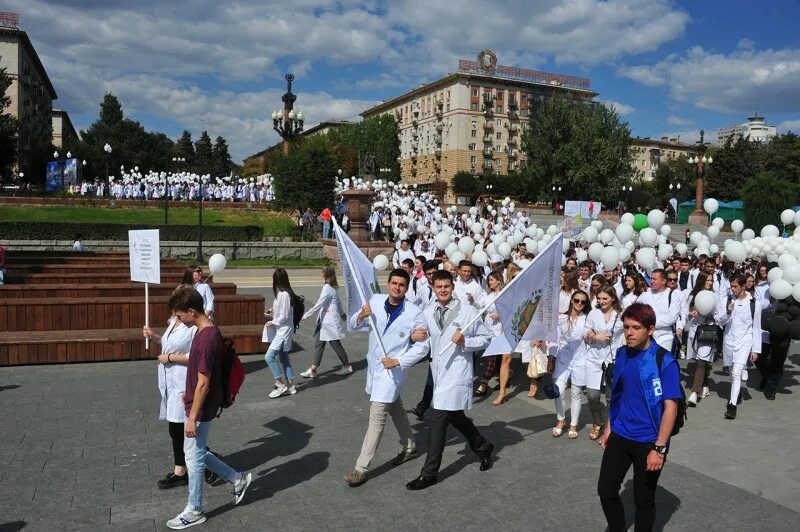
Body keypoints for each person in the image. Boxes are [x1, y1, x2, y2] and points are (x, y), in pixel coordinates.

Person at [165, 288, 251, 530]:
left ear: (192, 312)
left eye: (180, 316)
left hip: (200, 408)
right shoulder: (206, 330)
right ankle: (237, 478)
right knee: (195, 451)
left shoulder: (205, 337)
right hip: (198, 402)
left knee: (193, 457)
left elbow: (204, 381)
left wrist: (192, 417)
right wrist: (189, 393)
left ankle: (194, 509)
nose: (179, 320)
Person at [406, 270, 494, 490]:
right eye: (439, 287)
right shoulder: (428, 311)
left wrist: (466, 341)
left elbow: (486, 338)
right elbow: (423, 340)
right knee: (456, 416)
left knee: (437, 419)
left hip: (457, 373)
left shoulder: (468, 311)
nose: (443, 290)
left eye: (446, 286)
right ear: (434, 288)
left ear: (452, 288)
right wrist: (412, 337)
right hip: (438, 372)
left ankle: (429, 473)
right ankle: (483, 447)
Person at [597, 303, 681, 532]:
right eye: (626, 327)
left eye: (636, 327)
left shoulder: (665, 361)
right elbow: (618, 394)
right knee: (606, 490)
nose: (629, 333)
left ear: (651, 330)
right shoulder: (622, 353)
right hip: (621, 433)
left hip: (649, 441)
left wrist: (660, 448)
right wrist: (609, 426)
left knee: (643, 500)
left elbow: (670, 408)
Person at [343, 269, 429, 487]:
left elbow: (423, 346)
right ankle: (410, 447)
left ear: (407, 288)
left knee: (377, 416)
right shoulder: (375, 300)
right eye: (394, 283)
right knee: (395, 406)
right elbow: (353, 326)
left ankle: (361, 468)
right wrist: (361, 315)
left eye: (401, 285)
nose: (397, 287)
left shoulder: (415, 312)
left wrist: (398, 361)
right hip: (376, 367)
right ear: (388, 283)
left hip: (394, 371)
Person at [143, 290, 197, 490]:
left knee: (182, 429)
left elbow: (196, 356)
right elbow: (168, 344)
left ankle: (189, 468)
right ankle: (182, 468)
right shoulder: (174, 321)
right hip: (169, 381)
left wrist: (170, 358)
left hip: (183, 383)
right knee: (176, 429)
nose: (175, 312)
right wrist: (154, 336)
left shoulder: (193, 327)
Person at [574, 285, 624, 440]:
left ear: (613, 299)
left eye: (605, 298)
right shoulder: (593, 314)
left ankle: (610, 428)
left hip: (612, 359)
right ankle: (597, 422)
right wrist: (595, 337)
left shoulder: (620, 316)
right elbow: (585, 332)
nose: (601, 301)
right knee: (592, 395)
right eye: (599, 298)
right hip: (594, 358)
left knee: (610, 396)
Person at [678, 272, 724, 406]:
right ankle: (705, 385)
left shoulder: (715, 296)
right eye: (707, 280)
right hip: (695, 330)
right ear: (701, 281)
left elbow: (720, 315)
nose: (710, 283)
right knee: (699, 360)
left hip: (708, 331)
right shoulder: (693, 295)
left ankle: (694, 392)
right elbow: (685, 313)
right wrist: (691, 313)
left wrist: (709, 316)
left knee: (701, 362)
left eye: (711, 280)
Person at [719, 274, 761, 419]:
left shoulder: (754, 303)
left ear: (743, 286)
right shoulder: (728, 300)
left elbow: (756, 327)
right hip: (729, 341)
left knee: (737, 373)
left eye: (735, 286)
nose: (732, 289)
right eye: (731, 286)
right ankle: (736, 393)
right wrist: (728, 312)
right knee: (732, 373)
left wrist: (755, 349)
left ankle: (732, 406)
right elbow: (720, 322)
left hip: (745, 342)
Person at [550, 289, 591, 439]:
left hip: (581, 359)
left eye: (583, 301)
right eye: (577, 300)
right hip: (563, 359)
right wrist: (551, 359)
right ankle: (561, 420)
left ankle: (573, 424)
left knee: (576, 394)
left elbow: (590, 336)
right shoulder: (561, 318)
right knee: (558, 391)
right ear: (572, 301)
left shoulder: (587, 319)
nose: (579, 304)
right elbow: (555, 339)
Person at [300, 266, 352, 378]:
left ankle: (347, 366)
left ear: (326, 274)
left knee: (335, 344)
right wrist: (342, 313)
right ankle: (313, 369)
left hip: (329, 322)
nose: (321, 274)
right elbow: (337, 301)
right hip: (324, 320)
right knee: (319, 344)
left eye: (322, 272)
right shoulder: (331, 287)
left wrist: (306, 315)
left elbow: (319, 303)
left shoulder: (327, 287)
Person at [264, 268, 298, 398]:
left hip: (283, 330)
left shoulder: (284, 294)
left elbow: (283, 315)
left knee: (269, 357)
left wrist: (272, 322)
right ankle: (291, 385)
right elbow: (284, 311)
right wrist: (272, 311)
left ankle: (279, 383)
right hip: (283, 329)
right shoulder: (284, 293)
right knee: (283, 357)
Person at [476, 271, 507, 397]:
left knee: (491, 357)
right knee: (496, 357)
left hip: (499, 329)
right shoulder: (488, 295)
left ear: (499, 281)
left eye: (492, 280)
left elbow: (510, 309)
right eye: (488, 280)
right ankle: (505, 376)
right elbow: (480, 305)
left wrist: (500, 314)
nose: (489, 282)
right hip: (487, 329)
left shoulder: (504, 294)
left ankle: (484, 383)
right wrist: (472, 300)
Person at [636, 269, 681, 352]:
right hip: (647, 337)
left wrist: (650, 322)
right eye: (651, 279)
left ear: (663, 281)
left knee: (662, 362)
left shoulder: (673, 295)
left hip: (665, 337)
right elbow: (636, 310)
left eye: (655, 279)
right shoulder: (646, 294)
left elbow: (672, 318)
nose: (652, 281)